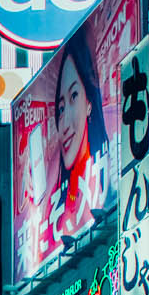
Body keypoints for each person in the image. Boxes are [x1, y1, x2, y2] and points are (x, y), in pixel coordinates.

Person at [49, 33, 110, 247]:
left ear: (89, 103)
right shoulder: (56, 210)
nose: (64, 124)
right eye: (60, 108)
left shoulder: (109, 184)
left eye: (74, 96)